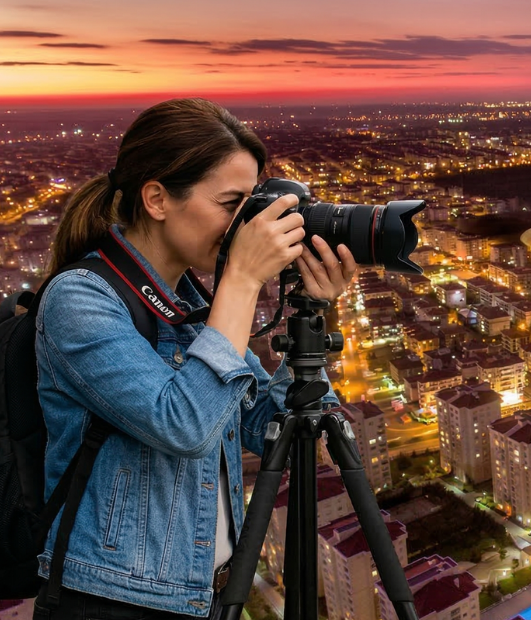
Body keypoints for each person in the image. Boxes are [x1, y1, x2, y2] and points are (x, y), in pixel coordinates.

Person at [31, 98, 358, 619]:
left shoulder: (187, 303)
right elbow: (184, 425)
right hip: (113, 601)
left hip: (201, 595)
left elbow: (265, 424)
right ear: (157, 198)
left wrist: (313, 312)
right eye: (233, 205)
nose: (244, 226)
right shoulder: (80, 299)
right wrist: (244, 280)